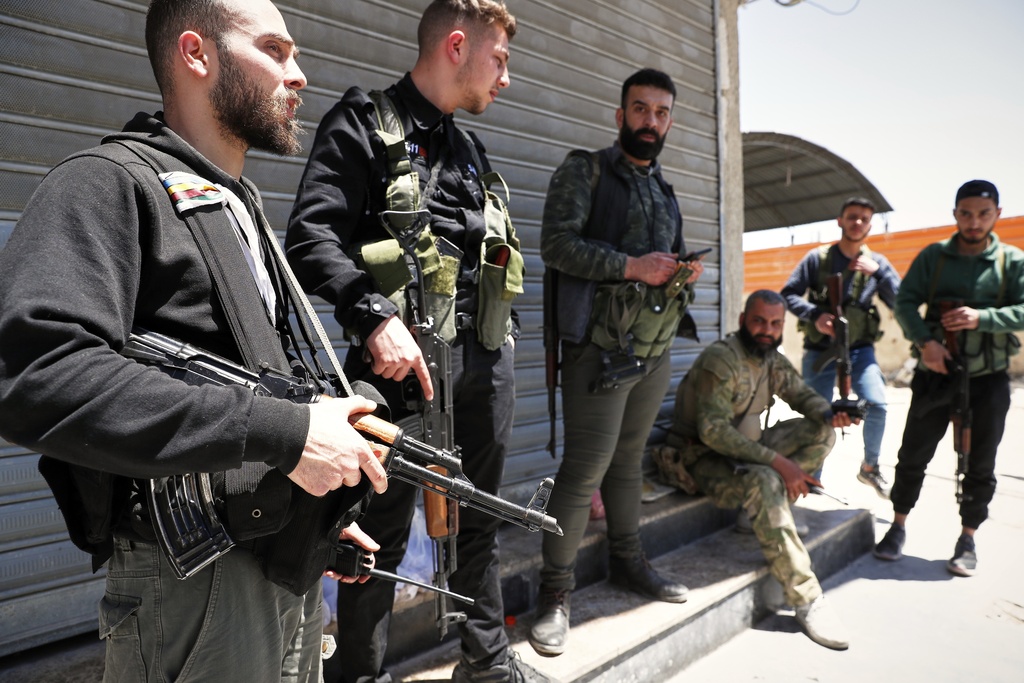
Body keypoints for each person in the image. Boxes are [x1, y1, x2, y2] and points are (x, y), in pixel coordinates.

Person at [0, 1, 390, 681]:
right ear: (196, 53)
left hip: (275, 566)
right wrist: (287, 431)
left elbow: (257, 387)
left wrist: (312, 512)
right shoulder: (107, 184)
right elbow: (39, 375)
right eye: (275, 48)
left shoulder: (237, 204)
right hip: (197, 588)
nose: (299, 74)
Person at [285, 3, 551, 682]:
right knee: (376, 535)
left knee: (479, 523)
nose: (507, 78)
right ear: (457, 46)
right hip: (401, 369)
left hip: (484, 362)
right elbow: (310, 237)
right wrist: (372, 316)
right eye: (500, 59)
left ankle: (487, 665)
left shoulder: (469, 150)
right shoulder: (365, 123)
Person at [527, 68, 703, 658]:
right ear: (620, 113)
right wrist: (634, 267)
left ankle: (629, 563)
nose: (649, 121)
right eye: (640, 109)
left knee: (630, 464)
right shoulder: (587, 170)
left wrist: (678, 270)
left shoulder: (665, 189)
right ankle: (555, 595)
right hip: (598, 352)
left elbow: (660, 262)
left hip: (652, 349)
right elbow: (555, 244)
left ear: (670, 121)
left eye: (660, 112)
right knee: (583, 473)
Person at [653, 290, 853, 650]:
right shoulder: (722, 359)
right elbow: (712, 431)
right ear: (744, 319)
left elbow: (802, 394)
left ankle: (762, 507)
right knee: (763, 478)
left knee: (821, 433)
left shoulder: (770, 359)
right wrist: (779, 463)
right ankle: (807, 599)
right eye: (759, 321)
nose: (767, 330)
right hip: (695, 460)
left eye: (776, 324)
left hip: (741, 453)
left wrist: (830, 412)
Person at [874, 180, 1024, 577]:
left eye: (983, 214)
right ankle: (898, 526)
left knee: (981, 461)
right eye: (966, 213)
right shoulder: (935, 257)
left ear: (997, 214)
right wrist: (926, 343)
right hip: (935, 374)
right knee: (913, 455)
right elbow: (906, 301)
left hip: (987, 377)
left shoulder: (1011, 261)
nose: (974, 222)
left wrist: (983, 318)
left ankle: (967, 538)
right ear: (955, 214)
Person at [781, 197, 901, 497]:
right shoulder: (818, 259)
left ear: (870, 225)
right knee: (816, 414)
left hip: (859, 349)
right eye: (852, 217)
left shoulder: (877, 264)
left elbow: (901, 303)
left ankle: (870, 468)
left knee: (877, 404)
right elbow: (788, 294)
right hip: (821, 348)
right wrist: (815, 315)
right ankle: (811, 477)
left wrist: (879, 274)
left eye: (863, 218)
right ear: (840, 220)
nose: (857, 222)